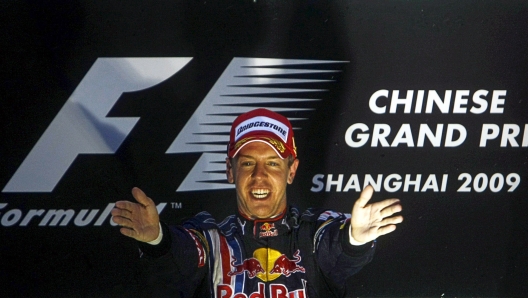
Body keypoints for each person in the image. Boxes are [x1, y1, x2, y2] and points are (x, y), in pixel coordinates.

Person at [111, 108, 403, 298]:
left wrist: (355, 239)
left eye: (273, 164)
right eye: (248, 163)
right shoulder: (211, 238)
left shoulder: (312, 234)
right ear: (230, 171)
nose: (259, 176)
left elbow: (337, 249)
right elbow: (182, 255)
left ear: (291, 171)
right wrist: (156, 240)